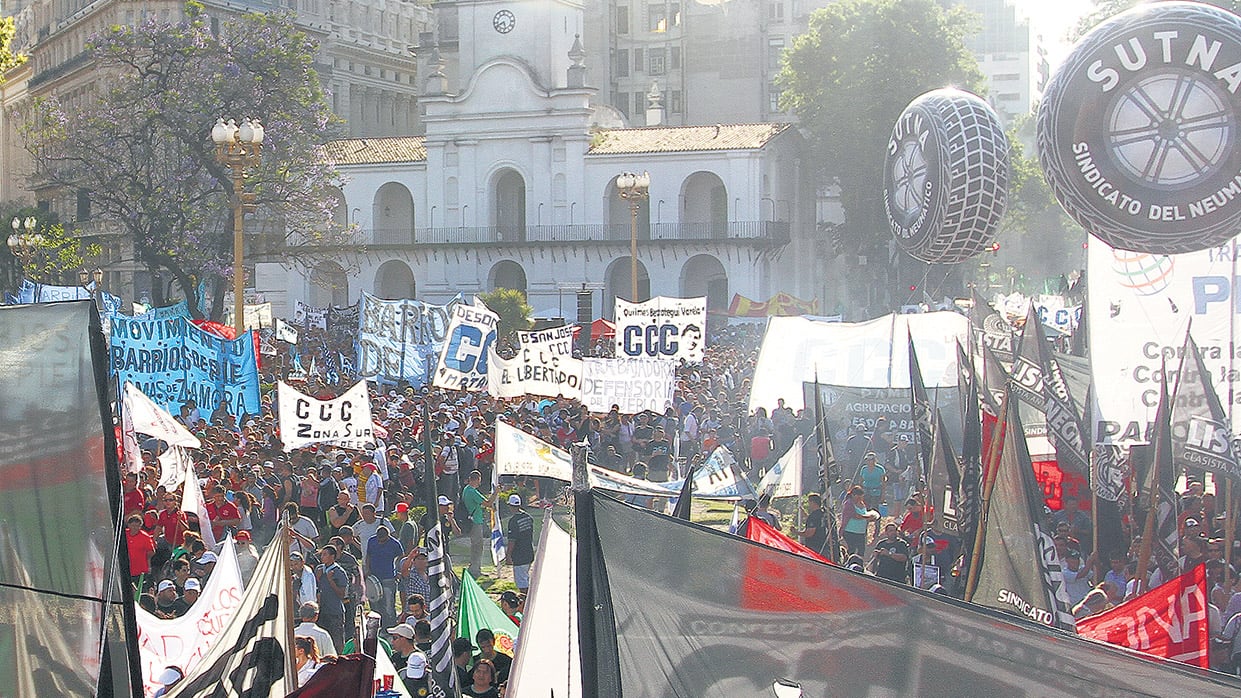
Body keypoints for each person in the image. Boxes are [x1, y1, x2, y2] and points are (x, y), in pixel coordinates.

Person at [366, 525, 404, 628]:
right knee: (374, 602)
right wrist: (368, 569)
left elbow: (401, 556)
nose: (380, 542)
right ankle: (376, 625)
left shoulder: (394, 543)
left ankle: (390, 625)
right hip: (374, 576)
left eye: (383, 540)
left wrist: (397, 568)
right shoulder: (371, 541)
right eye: (379, 540)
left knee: (388, 604)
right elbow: (368, 555)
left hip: (388, 577)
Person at [314, 545, 350, 651]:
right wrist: (318, 578)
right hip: (322, 611)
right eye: (322, 554)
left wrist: (331, 580)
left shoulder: (339, 572)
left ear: (332, 556)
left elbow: (342, 595)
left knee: (337, 640)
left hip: (334, 612)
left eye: (325, 554)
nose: (322, 557)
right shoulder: (319, 569)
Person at [461, 470, 495, 579]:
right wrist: (496, 493)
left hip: (473, 520)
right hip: (475, 521)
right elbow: (488, 503)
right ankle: (475, 569)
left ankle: (475, 568)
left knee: (476, 546)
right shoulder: (472, 491)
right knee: (477, 546)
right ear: (477, 479)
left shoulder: (466, 489)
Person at [505, 495, 535, 594]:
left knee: (522, 584)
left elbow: (512, 541)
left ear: (510, 506)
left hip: (519, 556)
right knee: (526, 578)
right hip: (529, 553)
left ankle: (526, 603)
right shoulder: (528, 517)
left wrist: (508, 555)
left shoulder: (513, 521)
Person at [839, 486, 879, 558]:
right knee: (851, 551)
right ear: (853, 495)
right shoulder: (848, 503)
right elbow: (856, 516)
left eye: (861, 497)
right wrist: (868, 517)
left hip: (861, 532)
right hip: (850, 531)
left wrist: (872, 517)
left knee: (861, 552)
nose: (860, 498)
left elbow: (865, 514)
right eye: (858, 496)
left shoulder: (862, 504)